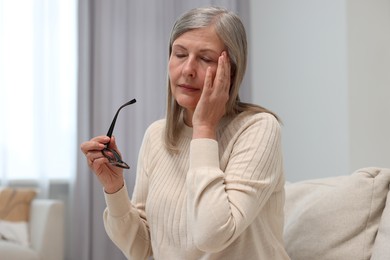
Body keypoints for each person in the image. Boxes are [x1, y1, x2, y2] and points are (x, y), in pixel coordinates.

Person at [81, 6, 290, 260]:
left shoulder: (258, 129)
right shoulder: (156, 136)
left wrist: (204, 129)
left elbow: (212, 235)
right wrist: (114, 189)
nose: (188, 69)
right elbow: (142, 250)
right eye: (180, 54)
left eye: (205, 59)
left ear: (231, 71)